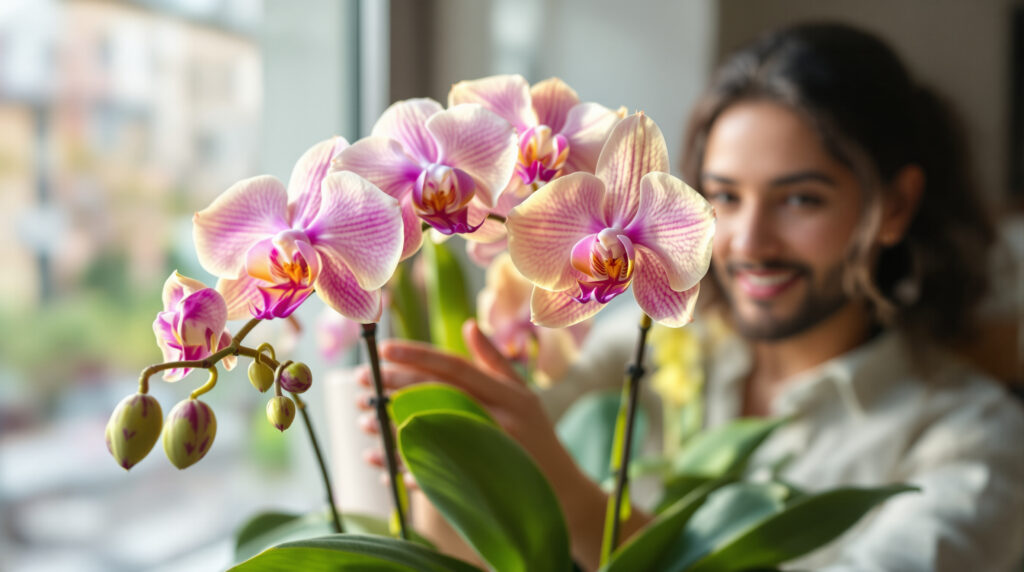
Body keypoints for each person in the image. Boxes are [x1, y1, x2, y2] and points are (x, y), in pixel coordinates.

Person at [357, 22, 1024, 571]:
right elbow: (482, 482)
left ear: (895, 206)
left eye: (800, 199)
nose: (748, 242)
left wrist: (581, 510)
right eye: (726, 196)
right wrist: (453, 447)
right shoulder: (646, 345)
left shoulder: (974, 439)